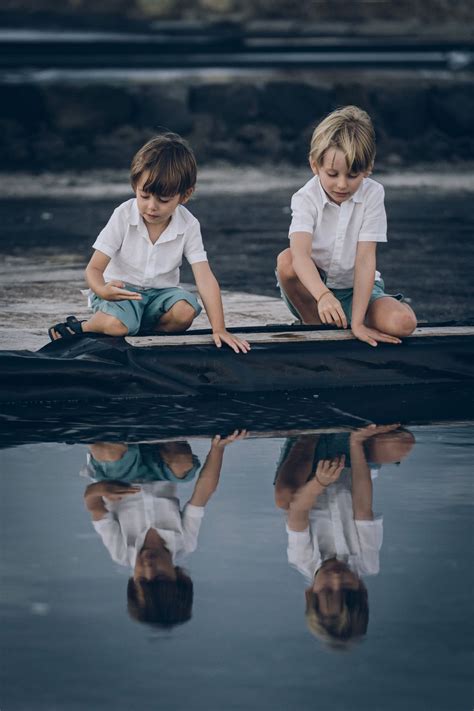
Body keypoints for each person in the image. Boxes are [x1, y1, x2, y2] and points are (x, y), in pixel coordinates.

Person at [49, 132, 249, 354]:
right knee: (117, 325)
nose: (152, 207)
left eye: (163, 200)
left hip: (159, 296)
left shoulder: (189, 224)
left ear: (185, 195)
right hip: (121, 293)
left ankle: (137, 327)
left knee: (185, 311)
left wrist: (219, 328)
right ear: (135, 186)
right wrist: (102, 290)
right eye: (144, 196)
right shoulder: (123, 215)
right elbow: (94, 268)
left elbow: (205, 277)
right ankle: (80, 327)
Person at [276, 105, 417, 347]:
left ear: (367, 169)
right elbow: (300, 256)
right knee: (286, 260)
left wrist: (359, 323)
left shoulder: (373, 194)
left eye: (352, 176)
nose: (342, 185)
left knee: (403, 323)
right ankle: (314, 324)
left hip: (359, 291)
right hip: (312, 291)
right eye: (332, 174)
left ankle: (352, 318)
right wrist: (322, 295)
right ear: (315, 166)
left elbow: (365, 260)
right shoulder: (304, 197)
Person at [83, 431, 246, 628]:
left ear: (132, 581)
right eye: (160, 575)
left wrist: (102, 489)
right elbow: (203, 493)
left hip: (118, 475)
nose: (149, 567)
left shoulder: (121, 553)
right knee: (182, 465)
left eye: (142, 579)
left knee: (108, 451)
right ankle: (158, 422)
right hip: (159, 469)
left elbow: (91, 501)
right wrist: (218, 448)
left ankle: (110, 431)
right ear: (179, 576)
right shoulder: (185, 543)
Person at [274, 425, 415, 646]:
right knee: (402, 443)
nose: (337, 579)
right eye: (347, 588)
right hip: (353, 461)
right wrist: (356, 443)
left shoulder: (302, 559)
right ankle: (356, 429)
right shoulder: (367, 562)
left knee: (284, 500)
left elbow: (297, 512)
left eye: (328, 590)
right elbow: (362, 504)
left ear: (310, 593)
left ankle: (310, 434)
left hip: (308, 466)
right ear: (362, 588)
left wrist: (319, 482)